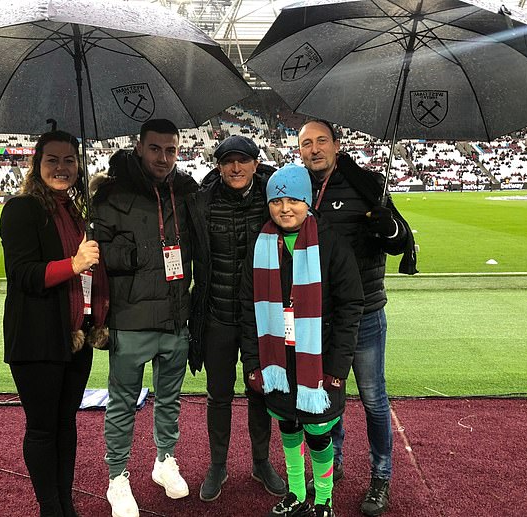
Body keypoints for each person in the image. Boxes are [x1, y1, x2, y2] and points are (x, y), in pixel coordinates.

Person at [298, 120, 417, 516]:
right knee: (327, 397)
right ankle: (333, 465)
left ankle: (381, 476)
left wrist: (389, 228)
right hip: (320, 316)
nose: (313, 149)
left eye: (320, 141)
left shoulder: (368, 185)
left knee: (372, 399)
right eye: (305, 144)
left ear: (336, 144)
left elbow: (401, 241)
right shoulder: (298, 188)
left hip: (364, 312)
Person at [240, 163, 364, 517]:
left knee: (318, 433)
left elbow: (350, 307)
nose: (285, 208)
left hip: (319, 364)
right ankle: (295, 492)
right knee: (288, 426)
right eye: (278, 201)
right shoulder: (260, 246)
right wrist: (252, 363)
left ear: (308, 202)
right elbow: (247, 311)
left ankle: (323, 498)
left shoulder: (332, 244)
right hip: (277, 362)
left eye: (294, 199)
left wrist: (338, 368)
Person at [0, 130, 109, 517]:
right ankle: (51, 508)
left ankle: (65, 502)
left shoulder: (77, 212)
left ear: (79, 167)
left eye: (69, 160)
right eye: (53, 160)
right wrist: (75, 264)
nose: (61, 168)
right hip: (37, 338)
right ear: (37, 164)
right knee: (43, 428)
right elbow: (23, 274)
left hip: (74, 338)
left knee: (66, 424)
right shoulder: (22, 209)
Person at [92, 119, 197, 517]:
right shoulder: (111, 194)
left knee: (169, 399)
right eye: (156, 149)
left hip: (175, 317)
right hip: (130, 319)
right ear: (139, 147)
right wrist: (133, 254)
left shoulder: (185, 191)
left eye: (171, 150)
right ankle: (117, 477)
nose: (164, 158)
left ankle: (164, 461)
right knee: (122, 403)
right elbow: (97, 255)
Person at [188, 135, 286, 502]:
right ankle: (218, 464)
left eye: (242, 161)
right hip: (217, 315)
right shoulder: (203, 201)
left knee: (261, 391)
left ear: (255, 163)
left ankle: (261, 462)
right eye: (228, 161)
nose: (235, 168)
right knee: (218, 396)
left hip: (262, 318)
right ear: (218, 166)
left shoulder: (274, 199)